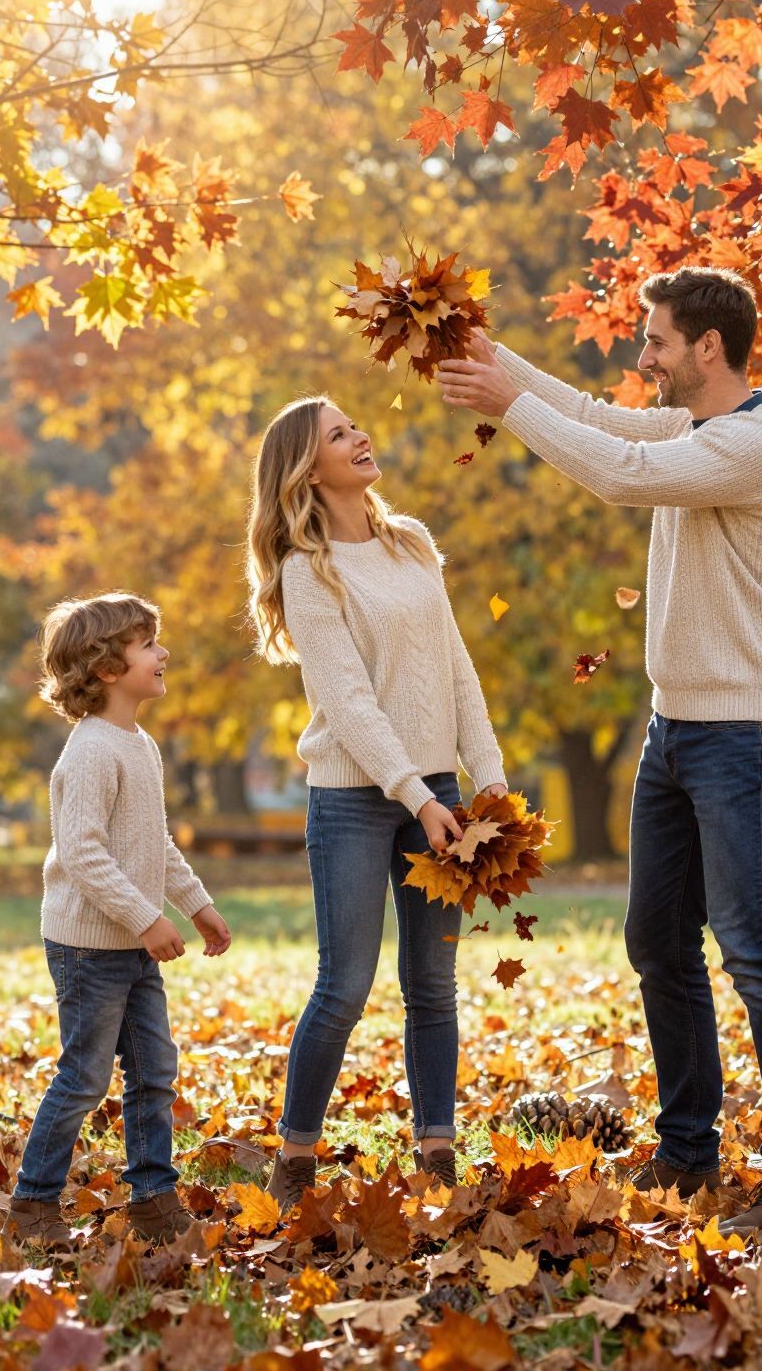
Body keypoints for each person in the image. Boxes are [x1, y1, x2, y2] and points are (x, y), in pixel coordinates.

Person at [436, 267, 762, 1231]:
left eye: (655, 340)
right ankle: (688, 1153)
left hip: (747, 732)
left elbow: (621, 473)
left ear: (708, 346)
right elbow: (596, 420)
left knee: (753, 947)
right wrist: (495, 360)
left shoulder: (756, 445)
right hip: (677, 727)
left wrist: (508, 404)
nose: (642, 355)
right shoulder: (696, 428)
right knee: (657, 943)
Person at [245, 396, 508, 1211]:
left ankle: (437, 1154)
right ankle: (295, 1159)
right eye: (339, 435)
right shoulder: (307, 570)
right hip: (354, 802)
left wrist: (488, 775)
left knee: (434, 983)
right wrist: (415, 795)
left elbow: (455, 666)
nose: (360, 437)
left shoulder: (411, 543)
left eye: (355, 425)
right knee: (345, 986)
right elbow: (351, 705)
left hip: (439, 796)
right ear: (307, 470)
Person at [8, 592, 233, 1248]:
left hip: (132, 945)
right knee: (84, 1078)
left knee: (154, 1072)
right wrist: (144, 918)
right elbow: (82, 853)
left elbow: (152, 843)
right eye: (148, 645)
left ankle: (153, 1200)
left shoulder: (141, 746)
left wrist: (196, 905)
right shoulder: (90, 752)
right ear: (108, 668)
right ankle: (32, 1204)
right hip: (88, 947)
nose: (163, 653)